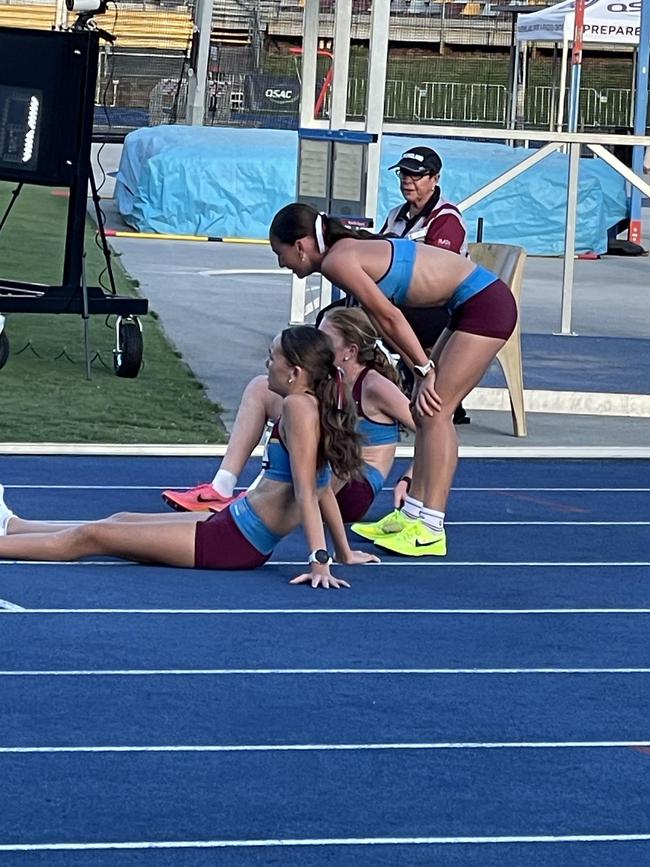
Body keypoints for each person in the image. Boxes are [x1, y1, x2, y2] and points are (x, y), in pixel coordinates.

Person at [0, 326, 378, 588]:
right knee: (117, 519)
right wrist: (343, 552)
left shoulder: (298, 408)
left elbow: (309, 489)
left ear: (294, 372)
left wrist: (319, 560)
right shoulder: (311, 404)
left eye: (271, 357)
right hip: (230, 526)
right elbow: (326, 485)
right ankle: (13, 526)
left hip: (233, 543)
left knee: (92, 536)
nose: (266, 364)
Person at [268, 202, 518, 558]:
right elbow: (382, 320)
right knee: (425, 408)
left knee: (436, 411)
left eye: (280, 253)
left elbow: (389, 316)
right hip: (467, 305)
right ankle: (411, 514)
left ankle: (431, 527)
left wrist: (424, 369)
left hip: (486, 304)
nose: (282, 264)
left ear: (301, 246)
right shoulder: (342, 255)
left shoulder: (339, 260)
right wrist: (421, 369)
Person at [162, 307, 416, 521]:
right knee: (261, 388)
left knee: (301, 415)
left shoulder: (374, 385)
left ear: (350, 350)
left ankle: (254, 499)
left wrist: (409, 478)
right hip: (326, 476)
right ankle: (222, 486)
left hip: (352, 488)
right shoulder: (328, 379)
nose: (319, 345)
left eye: (326, 340)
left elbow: (434, 430)